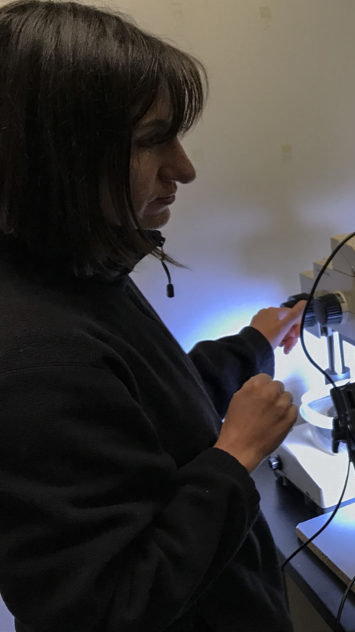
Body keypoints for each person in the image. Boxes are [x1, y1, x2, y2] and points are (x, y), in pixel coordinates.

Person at [0, 2, 303, 630]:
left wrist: (253, 343)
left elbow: (137, 408)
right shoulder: (32, 356)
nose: (183, 169)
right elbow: (111, 608)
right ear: (57, 152)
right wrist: (236, 455)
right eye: (150, 141)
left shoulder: (72, 264)